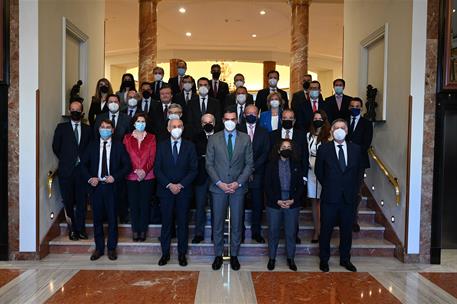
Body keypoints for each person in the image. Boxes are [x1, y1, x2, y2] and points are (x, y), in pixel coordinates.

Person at [206, 107, 254, 271]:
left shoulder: (245, 138)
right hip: (218, 188)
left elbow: (249, 164)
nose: (230, 122)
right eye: (227, 119)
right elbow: (209, 164)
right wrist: (219, 182)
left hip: (237, 189)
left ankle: (234, 255)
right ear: (222, 120)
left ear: (237, 120)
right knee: (217, 223)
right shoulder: (213, 139)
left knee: (236, 223)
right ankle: (218, 255)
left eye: (233, 119)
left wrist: (238, 183)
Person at [80, 119, 131, 261]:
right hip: (96, 188)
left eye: (108, 127)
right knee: (97, 219)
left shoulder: (119, 146)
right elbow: (83, 166)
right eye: (102, 127)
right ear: (98, 129)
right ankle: (99, 248)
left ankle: (111, 248)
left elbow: (127, 166)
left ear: (113, 130)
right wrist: (91, 178)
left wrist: (115, 177)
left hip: (112, 188)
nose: (105, 129)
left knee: (112, 219)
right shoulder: (92, 146)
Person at [315, 119, 361, 273]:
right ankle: (324, 259)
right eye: (336, 128)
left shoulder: (356, 149)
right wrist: (330, 185)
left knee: (346, 230)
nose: (339, 130)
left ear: (347, 131)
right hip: (330, 196)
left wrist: (352, 189)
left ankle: (345, 259)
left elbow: (359, 173)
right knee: (326, 229)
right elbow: (319, 172)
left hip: (349, 198)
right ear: (332, 131)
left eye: (342, 127)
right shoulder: (324, 149)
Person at [154, 119, 198, 267]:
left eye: (179, 126)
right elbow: (157, 169)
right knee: (166, 224)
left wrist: (180, 185)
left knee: (183, 224)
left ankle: (182, 254)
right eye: (174, 126)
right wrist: (169, 185)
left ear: (183, 128)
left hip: (183, 192)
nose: (176, 129)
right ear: (168, 129)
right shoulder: (161, 146)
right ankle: (165, 254)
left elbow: (193, 170)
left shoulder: (190, 146)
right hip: (165, 192)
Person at [52, 99, 92, 240]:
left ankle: (81, 229)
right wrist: (68, 160)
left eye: (78, 110)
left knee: (81, 202)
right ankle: (72, 229)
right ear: (69, 111)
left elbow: (90, 148)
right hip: (66, 171)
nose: (75, 112)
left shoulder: (88, 129)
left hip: (82, 172)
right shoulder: (61, 128)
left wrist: (82, 161)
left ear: (82, 112)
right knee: (68, 201)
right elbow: (56, 147)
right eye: (72, 110)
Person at [265, 139, 305, 271]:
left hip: (292, 202)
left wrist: (293, 199)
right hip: (274, 202)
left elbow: (300, 185)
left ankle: (291, 258)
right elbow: (267, 186)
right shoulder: (270, 165)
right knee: (273, 231)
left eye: (289, 147)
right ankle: (272, 258)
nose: (286, 149)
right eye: (283, 147)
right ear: (278, 149)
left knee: (290, 232)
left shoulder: (297, 165)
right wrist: (277, 200)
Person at [238, 105, 270, 243]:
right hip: (239, 174)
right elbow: (235, 152)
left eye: (254, 113)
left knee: (257, 205)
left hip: (257, 173)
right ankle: (240, 233)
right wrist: (245, 170)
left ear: (258, 115)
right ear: (244, 115)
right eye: (248, 113)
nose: (251, 115)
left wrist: (251, 169)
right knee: (239, 205)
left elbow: (265, 153)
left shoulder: (264, 132)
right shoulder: (237, 130)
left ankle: (256, 232)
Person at [123, 113, 157, 242]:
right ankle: (135, 230)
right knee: (133, 204)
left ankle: (142, 231)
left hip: (148, 176)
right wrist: (135, 170)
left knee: (144, 204)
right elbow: (125, 156)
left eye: (143, 121)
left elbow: (152, 157)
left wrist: (144, 170)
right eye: (138, 121)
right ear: (134, 123)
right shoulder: (126, 138)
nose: (141, 123)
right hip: (131, 175)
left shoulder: (152, 138)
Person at [346, 97, 373, 232]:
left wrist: (351, 148)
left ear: (361, 108)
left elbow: (366, 144)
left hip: (359, 163)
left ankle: (353, 220)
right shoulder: (343, 122)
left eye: (357, 106)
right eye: (352, 106)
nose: (355, 108)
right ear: (349, 107)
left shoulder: (367, 124)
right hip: (342, 162)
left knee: (356, 193)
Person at [306, 110, 332, 243]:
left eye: (320, 118)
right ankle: (317, 230)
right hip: (311, 172)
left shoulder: (330, 136)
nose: (317, 120)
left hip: (325, 172)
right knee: (314, 202)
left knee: (323, 202)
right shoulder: (308, 136)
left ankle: (325, 231)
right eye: (315, 118)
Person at [191, 113, 216, 244]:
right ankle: (199, 234)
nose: (208, 124)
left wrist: (205, 156)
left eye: (210, 122)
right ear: (201, 124)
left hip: (216, 178)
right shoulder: (196, 137)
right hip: (200, 177)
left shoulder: (220, 136)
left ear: (214, 123)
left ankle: (215, 234)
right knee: (200, 207)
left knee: (216, 208)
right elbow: (194, 157)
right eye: (205, 122)